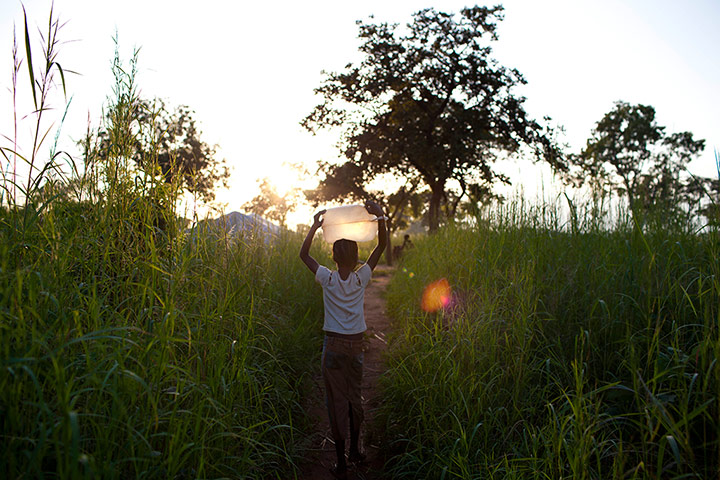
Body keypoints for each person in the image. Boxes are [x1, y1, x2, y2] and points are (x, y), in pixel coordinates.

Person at [299, 200, 387, 479]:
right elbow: (381, 247)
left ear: (334, 258)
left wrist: (314, 226)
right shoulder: (362, 278)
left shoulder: (327, 278)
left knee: (335, 402)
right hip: (355, 346)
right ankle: (356, 452)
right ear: (356, 257)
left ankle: (340, 461)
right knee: (354, 399)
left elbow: (304, 255)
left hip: (333, 347)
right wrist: (380, 216)